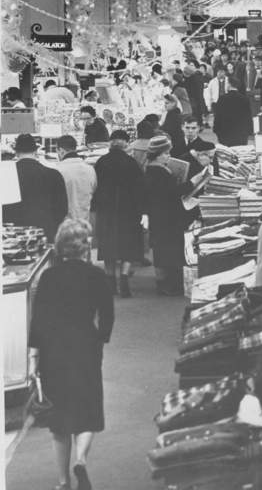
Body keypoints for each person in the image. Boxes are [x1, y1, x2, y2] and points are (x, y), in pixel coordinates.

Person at [28, 222, 114, 490]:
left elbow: (38, 319)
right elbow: (108, 315)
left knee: (59, 421)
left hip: (55, 349)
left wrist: (34, 355)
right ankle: (81, 460)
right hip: (86, 345)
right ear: (85, 246)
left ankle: (63, 481)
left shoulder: (49, 277)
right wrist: (100, 339)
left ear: (60, 244)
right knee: (87, 408)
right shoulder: (97, 276)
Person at [92, 130, 145, 297]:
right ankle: (123, 280)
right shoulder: (132, 163)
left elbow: (96, 186)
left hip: (106, 210)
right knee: (128, 245)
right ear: (126, 144)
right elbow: (139, 188)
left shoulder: (101, 161)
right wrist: (141, 210)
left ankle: (110, 282)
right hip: (128, 211)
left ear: (111, 142)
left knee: (108, 246)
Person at [144, 135, 190, 295]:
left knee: (162, 249)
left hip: (159, 216)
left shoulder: (152, 169)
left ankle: (163, 283)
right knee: (168, 249)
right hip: (167, 217)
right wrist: (192, 183)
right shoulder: (159, 172)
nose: (169, 156)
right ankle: (168, 285)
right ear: (157, 154)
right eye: (166, 153)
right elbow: (171, 193)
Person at [3, 133, 68, 243]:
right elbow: (62, 209)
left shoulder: (6, 175)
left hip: (14, 237)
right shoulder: (53, 175)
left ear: (16, 152)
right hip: (46, 232)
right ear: (36, 151)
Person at [55, 135, 97, 229]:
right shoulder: (90, 169)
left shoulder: (58, 170)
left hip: (65, 226)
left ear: (61, 150)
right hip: (85, 223)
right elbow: (94, 192)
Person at [213, 76, 253, 146]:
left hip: (225, 132)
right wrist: (249, 131)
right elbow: (248, 117)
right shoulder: (245, 99)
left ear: (229, 84)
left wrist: (216, 129)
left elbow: (218, 116)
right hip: (241, 133)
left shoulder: (222, 98)